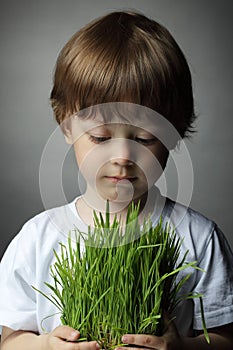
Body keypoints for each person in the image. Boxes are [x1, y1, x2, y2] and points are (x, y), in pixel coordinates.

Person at [0, 10, 233, 350]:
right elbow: (10, 340)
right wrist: (46, 345)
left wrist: (181, 347)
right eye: (100, 137)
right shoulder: (37, 239)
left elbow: (226, 337)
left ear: (173, 135)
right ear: (67, 128)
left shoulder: (199, 238)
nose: (122, 156)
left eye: (143, 138)